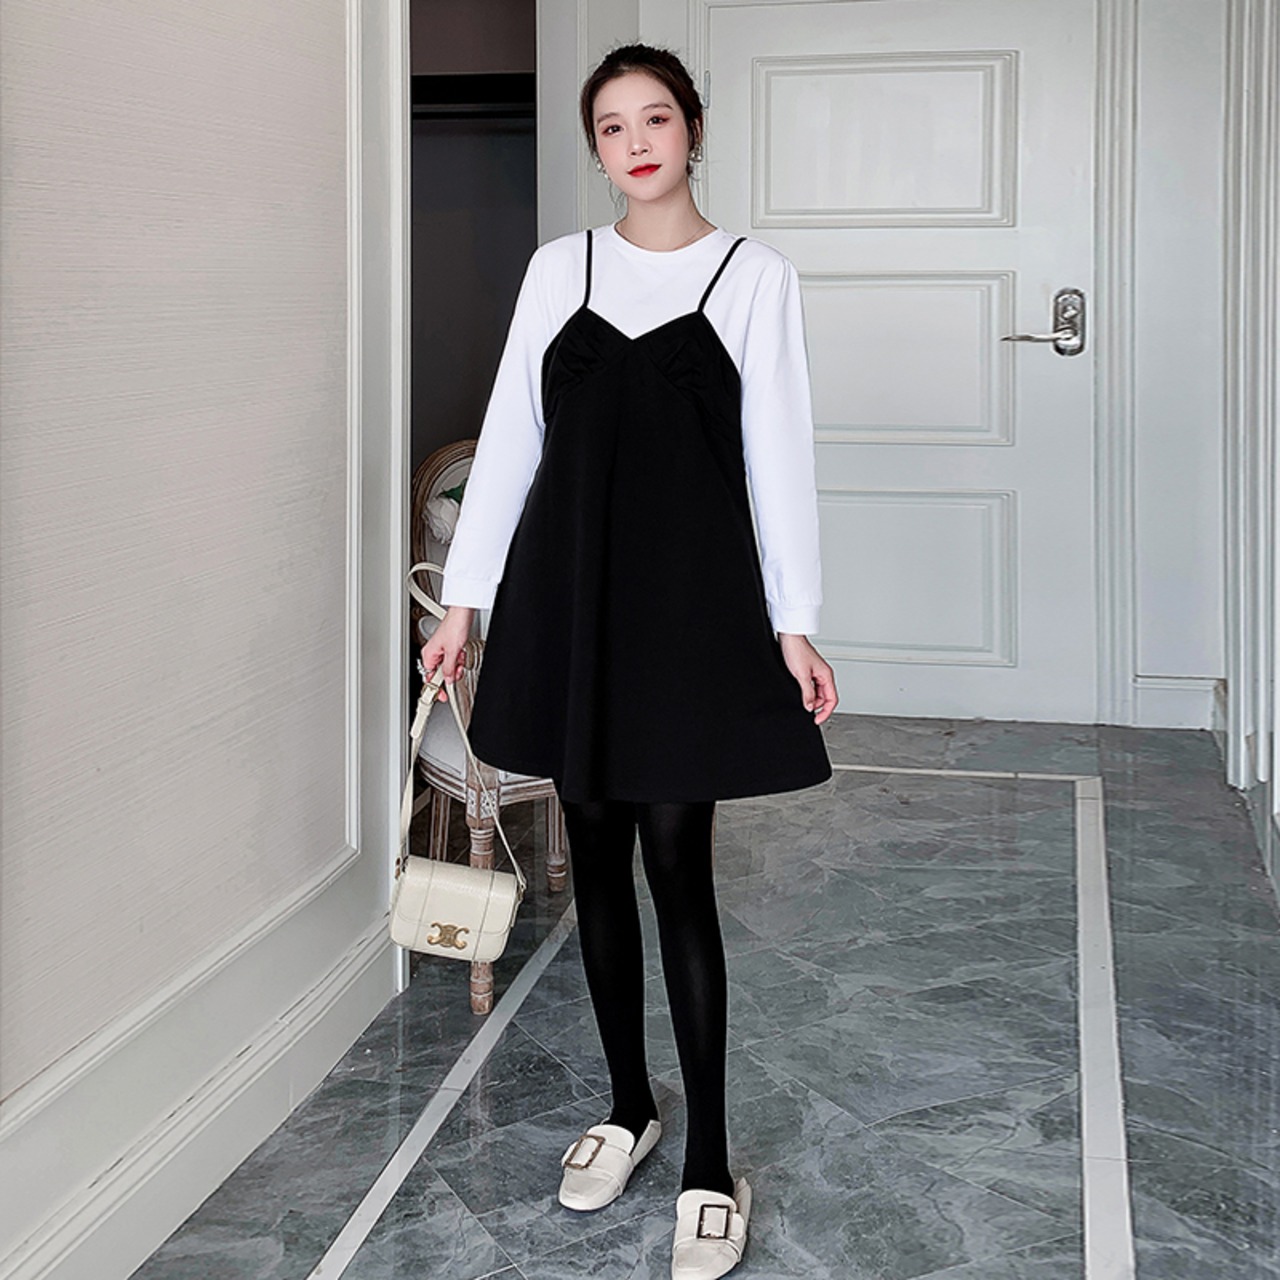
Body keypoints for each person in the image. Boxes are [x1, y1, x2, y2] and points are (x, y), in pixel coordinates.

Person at [419, 41, 839, 1280]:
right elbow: (509, 440)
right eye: (612, 126)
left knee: (675, 866)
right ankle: (625, 1105)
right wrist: (463, 603)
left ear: (691, 129)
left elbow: (778, 455)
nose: (636, 142)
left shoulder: (754, 277)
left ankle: (708, 1160)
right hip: (568, 598)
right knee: (594, 855)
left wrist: (793, 618)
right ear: (595, 149)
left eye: (655, 118)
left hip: (691, 613)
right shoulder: (561, 270)